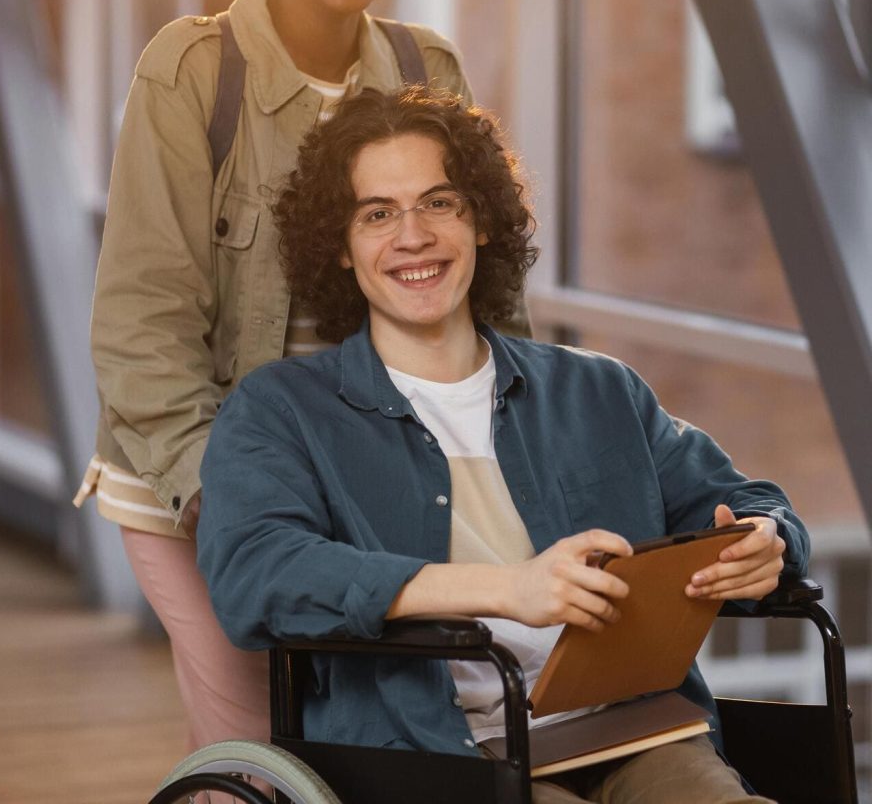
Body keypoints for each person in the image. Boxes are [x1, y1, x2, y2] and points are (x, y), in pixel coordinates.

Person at [196, 86, 808, 803]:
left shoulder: (601, 393)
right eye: (377, 214)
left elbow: (743, 501)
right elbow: (256, 573)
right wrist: (509, 589)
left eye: (439, 202)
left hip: (629, 730)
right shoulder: (282, 412)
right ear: (339, 245)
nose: (413, 236)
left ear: (481, 220)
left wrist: (767, 539)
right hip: (437, 754)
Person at [74, 0, 529, 754]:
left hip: (367, 475)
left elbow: (480, 287)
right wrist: (228, 498)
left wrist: (520, 438)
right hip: (195, 475)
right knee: (270, 749)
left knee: (388, 741)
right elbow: (142, 317)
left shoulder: (425, 68)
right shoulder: (193, 73)